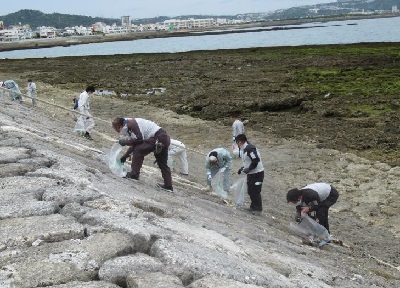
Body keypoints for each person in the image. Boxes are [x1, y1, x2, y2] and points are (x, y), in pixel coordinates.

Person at [112, 117, 173, 192]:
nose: (117, 131)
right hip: (164, 138)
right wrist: (125, 157)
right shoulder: (129, 125)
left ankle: (134, 175)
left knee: (138, 150)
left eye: (116, 129)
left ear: (120, 126)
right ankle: (168, 186)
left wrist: (125, 142)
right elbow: (135, 143)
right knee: (162, 163)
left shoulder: (132, 124)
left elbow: (139, 140)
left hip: (157, 137)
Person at [236, 134, 264, 215]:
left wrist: (249, 169)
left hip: (257, 173)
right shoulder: (244, 149)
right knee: (250, 191)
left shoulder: (250, 149)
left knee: (256, 191)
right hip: (251, 173)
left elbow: (255, 160)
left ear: (240, 142)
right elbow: (247, 161)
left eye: (237, 142)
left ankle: (258, 209)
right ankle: (253, 207)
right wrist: (242, 168)